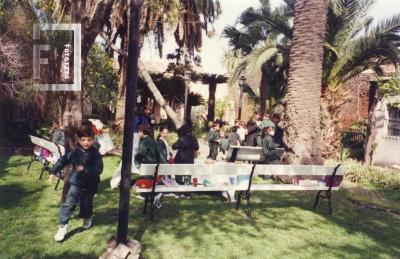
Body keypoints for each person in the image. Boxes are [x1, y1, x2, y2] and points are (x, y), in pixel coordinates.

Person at [50, 124, 103, 242]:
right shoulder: (75, 151)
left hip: (90, 185)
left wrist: (85, 169)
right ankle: (63, 227)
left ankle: (88, 217)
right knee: (69, 203)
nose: (86, 142)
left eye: (89, 140)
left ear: (93, 139)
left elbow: (99, 169)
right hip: (76, 183)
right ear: (78, 139)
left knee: (86, 204)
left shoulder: (95, 154)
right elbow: (63, 160)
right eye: (83, 139)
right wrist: (53, 171)